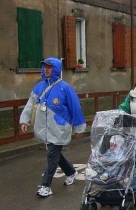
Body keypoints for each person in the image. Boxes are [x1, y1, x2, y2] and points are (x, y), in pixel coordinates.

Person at [19, 57, 86, 197]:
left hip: (59, 128)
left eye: (49, 67)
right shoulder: (39, 87)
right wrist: (24, 121)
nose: (46, 69)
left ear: (56, 69)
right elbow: (30, 104)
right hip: (45, 129)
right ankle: (71, 172)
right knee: (55, 155)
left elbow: (75, 108)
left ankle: (46, 186)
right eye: (44, 67)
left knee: (52, 155)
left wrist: (79, 127)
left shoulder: (66, 88)